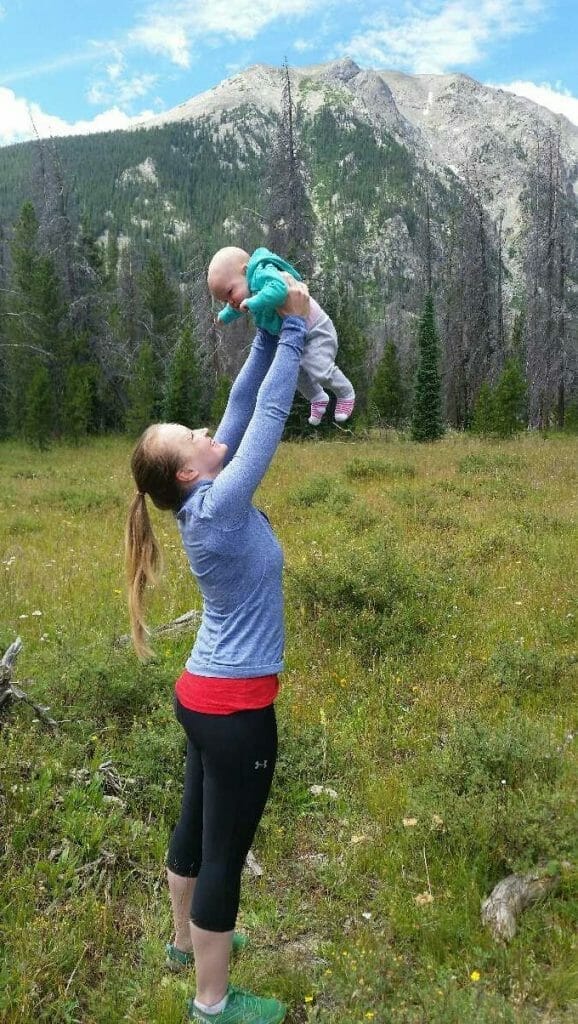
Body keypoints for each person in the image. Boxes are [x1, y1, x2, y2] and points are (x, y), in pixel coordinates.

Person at [125, 278, 311, 1024]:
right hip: (234, 710)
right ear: (188, 472)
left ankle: (182, 943)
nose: (208, 429)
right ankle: (212, 1003)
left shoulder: (201, 494)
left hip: (203, 695)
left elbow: (238, 406)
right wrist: (296, 328)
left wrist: (262, 333)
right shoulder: (223, 503)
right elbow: (266, 414)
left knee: (193, 826)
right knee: (223, 857)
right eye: (193, 436)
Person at [208, 245, 355, 426]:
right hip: (300, 334)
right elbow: (237, 306)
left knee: (320, 369)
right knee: (296, 371)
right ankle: (318, 398)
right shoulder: (247, 287)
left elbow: (278, 290)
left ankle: (346, 393)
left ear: (245, 271)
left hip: (316, 329)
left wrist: (252, 302)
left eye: (230, 292)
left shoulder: (262, 273)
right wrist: (224, 316)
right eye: (225, 300)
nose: (230, 301)